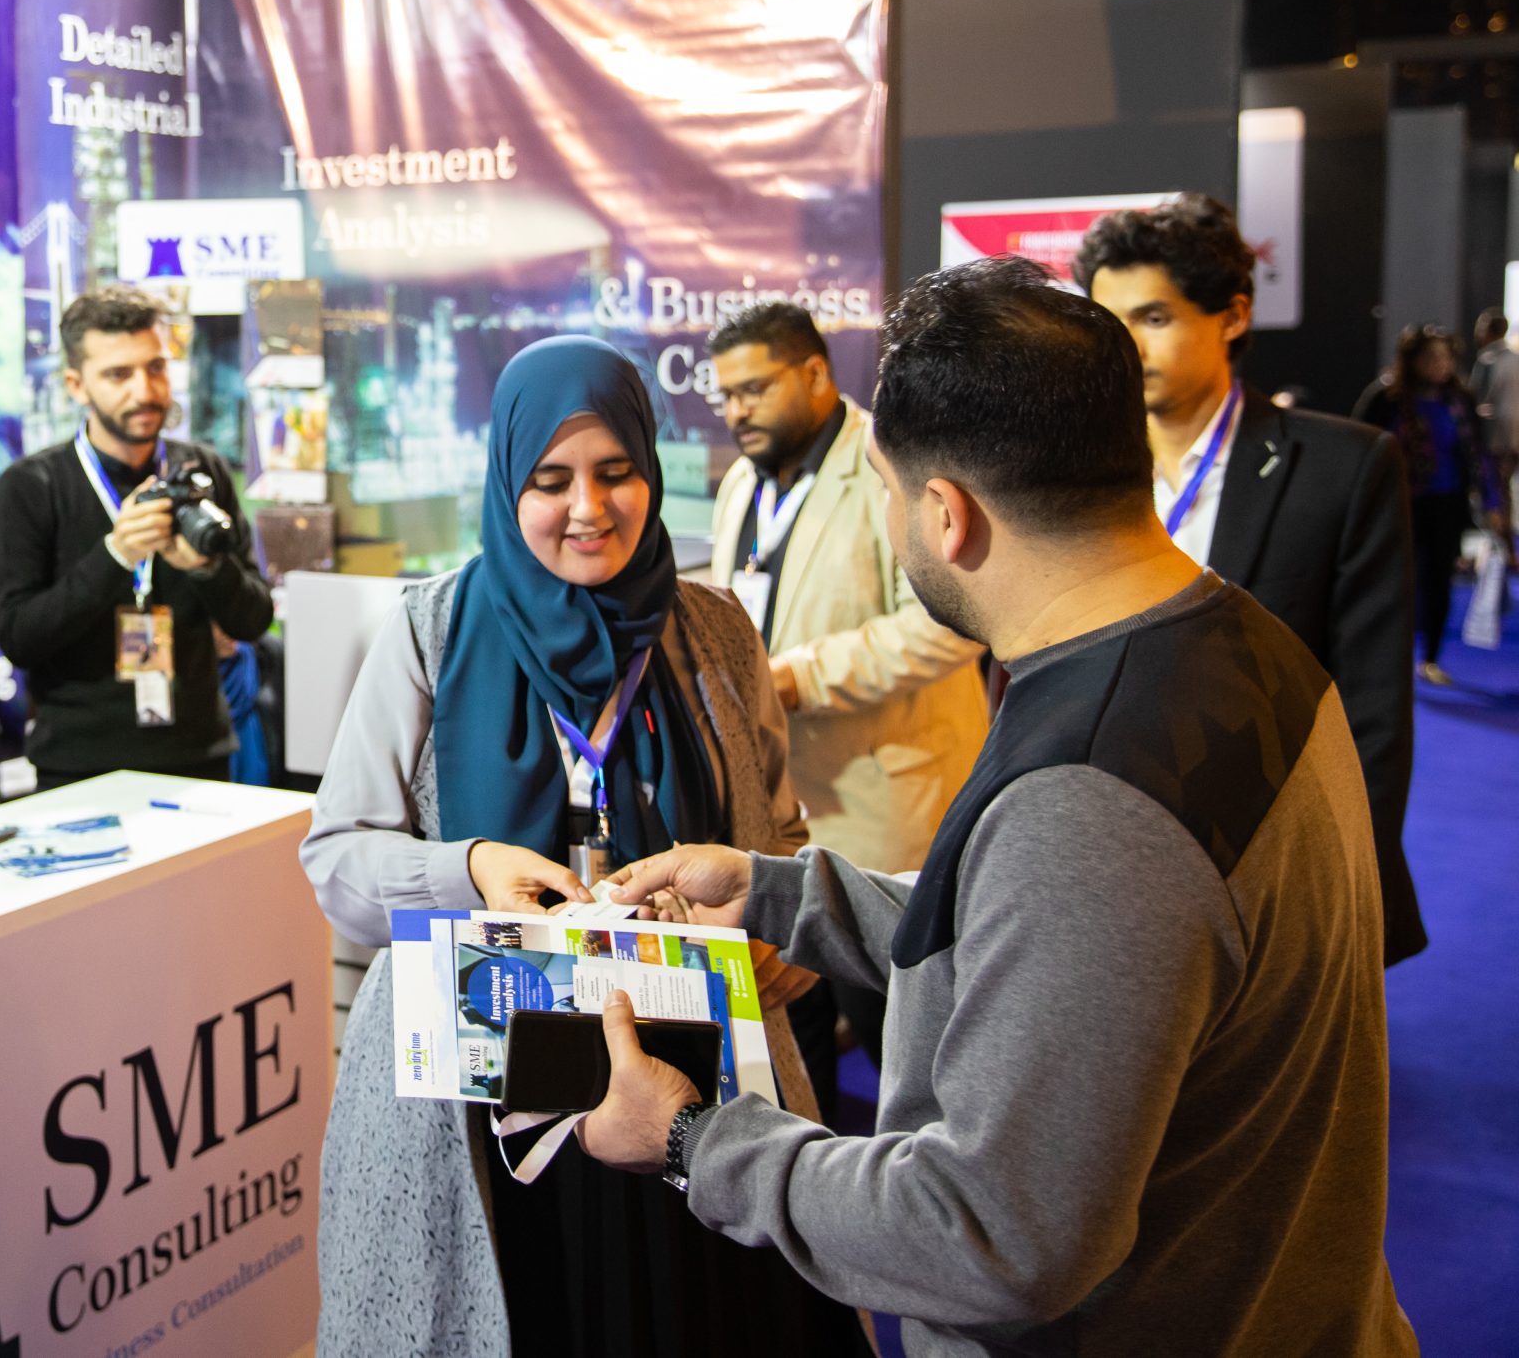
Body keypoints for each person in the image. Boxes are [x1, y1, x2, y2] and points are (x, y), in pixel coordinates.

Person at [578, 258, 1414, 1358]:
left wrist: (695, 1140)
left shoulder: (1090, 796)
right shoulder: (1236, 642)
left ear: (946, 514)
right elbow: (1067, 946)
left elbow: (986, 1236)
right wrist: (786, 896)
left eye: (885, 490)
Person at [302, 336, 860, 1358]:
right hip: (485, 1102)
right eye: (551, 481)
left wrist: (784, 935)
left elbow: (778, 836)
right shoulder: (430, 633)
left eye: (616, 472)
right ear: (507, 484)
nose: (588, 508)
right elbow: (337, 859)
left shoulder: (715, 631)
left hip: (691, 1096)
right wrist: (467, 868)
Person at [1077, 195, 1426, 963]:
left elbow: (1372, 710)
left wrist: (1334, 893)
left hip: (1277, 865)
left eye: (1154, 317)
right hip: (1109, 857)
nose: (1127, 346)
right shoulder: (1074, 469)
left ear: (1233, 315)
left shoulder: (1342, 468)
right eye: (1111, 322)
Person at [705, 302, 987, 1099]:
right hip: (780, 814)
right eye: (726, 395)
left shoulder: (892, 466)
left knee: (910, 1055)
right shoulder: (740, 483)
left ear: (816, 373)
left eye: (755, 388)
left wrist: (796, 677)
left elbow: (949, 626)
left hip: (883, 813)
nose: (737, 410)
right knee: (796, 1054)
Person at [0, 286, 273, 789]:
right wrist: (116, 555)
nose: (144, 390)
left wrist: (206, 568)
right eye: (118, 375)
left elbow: (253, 619)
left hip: (199, 754)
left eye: (156, 367)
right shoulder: (32, 486)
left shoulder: (202, 470)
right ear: (76, 385)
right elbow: (20, 638)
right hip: (79, 766)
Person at [1354, 323, 1506, 686]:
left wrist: (1493, 501)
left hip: (1447, 503)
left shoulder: (1459, 400)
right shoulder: (1386, 399)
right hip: (1398, 505)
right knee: (1395, 581)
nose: (1440, 364)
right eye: (1431, 357)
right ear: (1412, 360)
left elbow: (1478, 453)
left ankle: (1431, 658)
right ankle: (1389, 656)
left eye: (1445, 357)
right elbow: (1358, 448)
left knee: (1439, 579)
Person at [1472, 307, 1517, 531]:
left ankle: (1504, 539)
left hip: (1498, 438)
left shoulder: (1488, 360)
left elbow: (1476, 399)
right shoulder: (1515, 359)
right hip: (1513, 436)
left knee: (1499, 490)